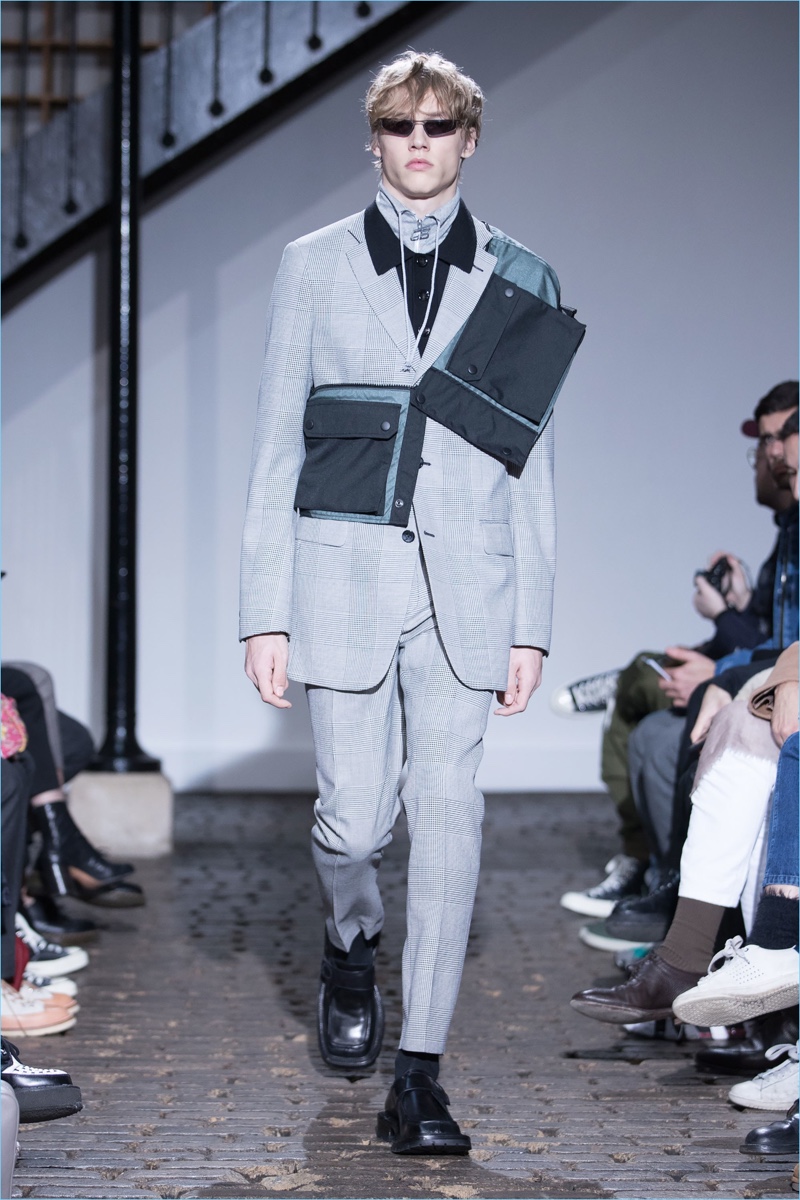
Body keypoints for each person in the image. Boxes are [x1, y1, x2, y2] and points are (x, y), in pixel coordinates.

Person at [240, 51, 582, 1155]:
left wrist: (532, 622)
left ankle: (419, 1076)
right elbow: (276, 443)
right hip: (340, 574)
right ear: (375, 138)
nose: (420, 142)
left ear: (469, 139)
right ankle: (352, 941)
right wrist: (263, 610)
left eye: (439, 125)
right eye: (401, 125)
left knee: (447, 817)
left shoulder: (522, 276)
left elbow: (529, 462)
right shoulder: (312, 265)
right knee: (352, 823)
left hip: (467, 589)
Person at [562, 384, 798, 921]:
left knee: (665, 717)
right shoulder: (787, 537)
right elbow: (777, 637)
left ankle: (673, 893)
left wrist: (724, 638)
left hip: (769, 682)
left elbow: (782, 647)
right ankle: (659, 881)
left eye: (778, 441)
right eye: (766, 443)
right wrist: (737, 611)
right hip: (766, 674)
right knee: (659, 713)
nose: (769, 456)